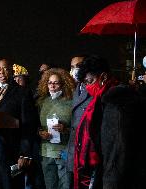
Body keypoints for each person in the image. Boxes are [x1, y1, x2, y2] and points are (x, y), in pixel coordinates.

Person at [0, 58, 40, 189]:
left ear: (11, 71)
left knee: (10, 183)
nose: (1, 72)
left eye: (4, 68)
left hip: (12, 148)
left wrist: (25, 153)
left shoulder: (22, 92)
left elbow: (28, 125)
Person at [73, 55, 119, 189]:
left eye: (90, 81)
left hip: (109, 172)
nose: (87, 87)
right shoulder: (98, 100)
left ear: (103, 77)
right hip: (96, 169)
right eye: (85, 83)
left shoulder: (117, 102)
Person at [37, 68, 75, 189]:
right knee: (50, 186)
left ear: (63, 84)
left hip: (63, 152)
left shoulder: (71, 102)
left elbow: (77, 128)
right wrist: (40, 132)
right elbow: (36, 125)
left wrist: (65, 129)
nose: (52, 85)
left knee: (65, 186)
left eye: (56, 82)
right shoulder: (42, 102)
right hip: (46, 152)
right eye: (49, 82)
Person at [66, 55, 89, 189]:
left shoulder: (92, 90)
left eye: (78, 66)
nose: (75, 70)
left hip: (85, 151)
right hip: (72, 150)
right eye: (72, 67)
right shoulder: (75, 90)